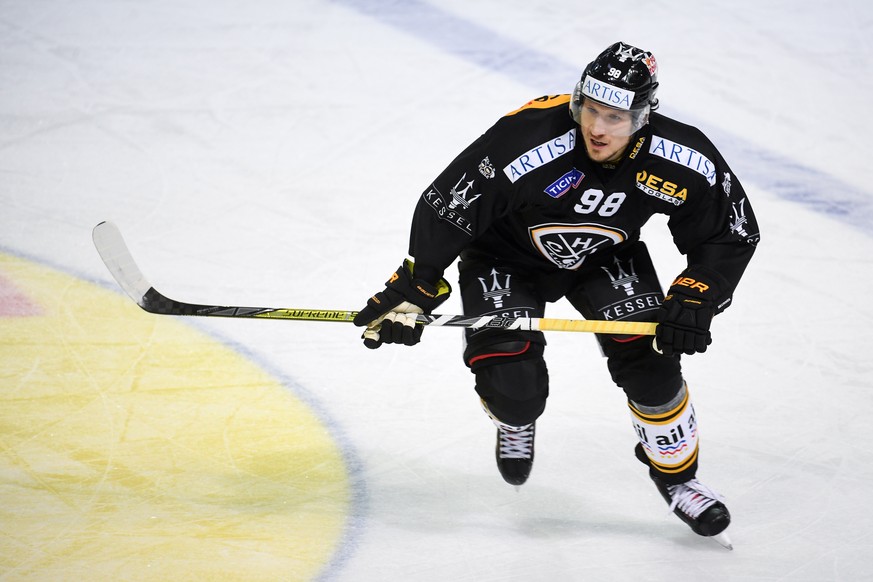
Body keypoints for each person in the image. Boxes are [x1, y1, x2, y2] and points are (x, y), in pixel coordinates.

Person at [353, 41, 759, 543]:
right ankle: (513, 419)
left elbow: (730, 232)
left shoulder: (682, 156)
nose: (596, 127)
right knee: (516, 395)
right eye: (590, 108)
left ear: (644, 115)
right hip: (504, 258)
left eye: (614, 116)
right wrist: (418, 284)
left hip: (607, 257)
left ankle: (679, 481)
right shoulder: (524, 140)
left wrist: (698, 292)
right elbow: (448, 206)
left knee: (653, 371)